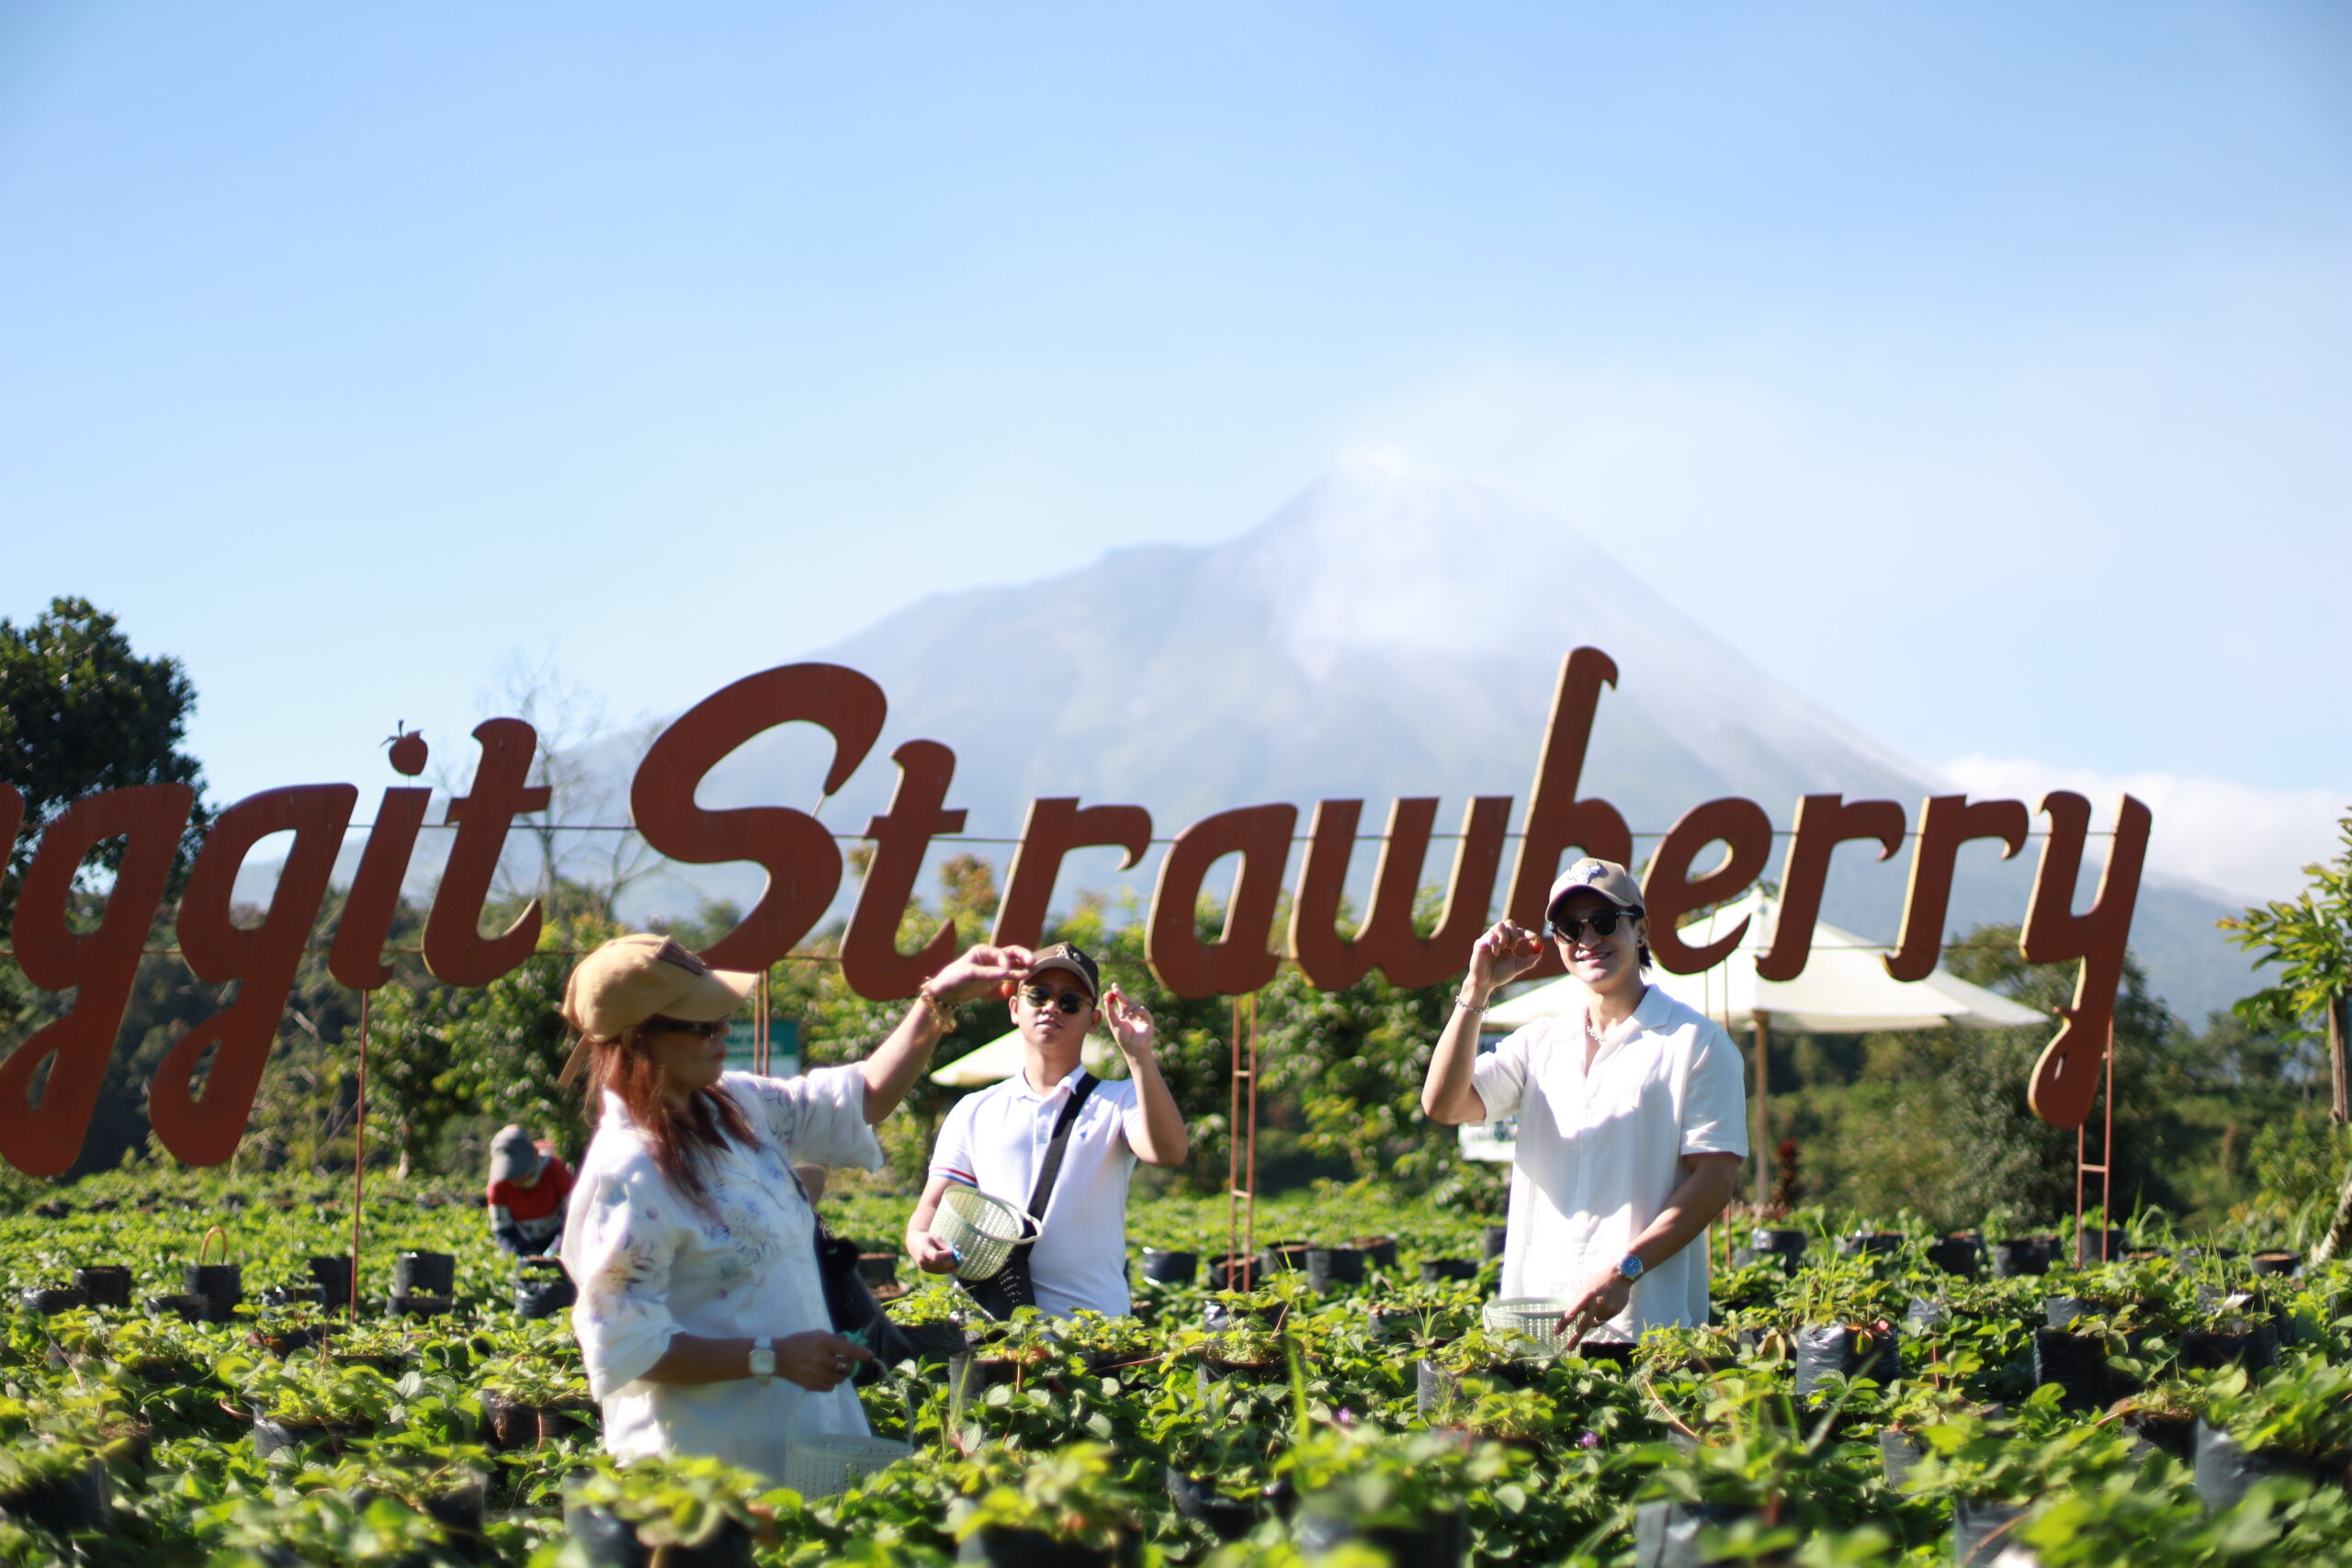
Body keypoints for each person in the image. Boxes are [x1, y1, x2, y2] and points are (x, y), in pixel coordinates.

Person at [558, 931, 1028, 1483]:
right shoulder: (629, 1172)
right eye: (702, 1025)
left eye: (720, 1018)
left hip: (798, 1431)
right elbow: (624, 1345)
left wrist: (939, 998)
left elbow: (863, 1096)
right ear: (639, 1041)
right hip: (702, 1464)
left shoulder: (736, 1107)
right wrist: (770, 1357)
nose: (723, 1031)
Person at [1420, 858, 1746, 1345]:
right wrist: (1477, 987)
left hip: (1646, 1328)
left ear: (1641, 930)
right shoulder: (1540, 1042)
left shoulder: (1695, 1042)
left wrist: (1625, 1270)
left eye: (1605, 922)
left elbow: (1715, 1181)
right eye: (1570, 928)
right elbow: (1445, 1105)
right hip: (1537, 1323)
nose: (1587, 939)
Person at [904, 942, 1187, 1318]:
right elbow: (933, 1207)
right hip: (995, 1329)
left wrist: (1139, 1054)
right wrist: (920, 1243)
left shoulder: (1120, 1099)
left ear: (1093, 1020)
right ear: (1014, 1008)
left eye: (1070, 1001)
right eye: (1038, 995)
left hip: (1095, 1329)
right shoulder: (974, 1109)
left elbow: (1168, 1152)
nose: (1052, 1007)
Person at [486, 1124, 574, 1261]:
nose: (517, 1179)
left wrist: (556, 1250)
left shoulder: (555, 1170)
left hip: (562, 1238)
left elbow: (576, 1217)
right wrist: (523, 1257)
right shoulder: (498, 1185)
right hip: (524, 1242)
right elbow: (504, 1231)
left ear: (534, 1156)